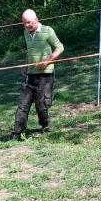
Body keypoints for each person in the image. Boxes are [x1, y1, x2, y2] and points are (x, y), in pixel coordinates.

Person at [11, 9, 64, 141]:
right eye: (24, 23)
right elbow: (29, 52)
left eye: (29, 22)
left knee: (41, 105)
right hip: (30, 75)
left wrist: (47, 61)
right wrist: (26, 65)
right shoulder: (26, 33)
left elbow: (60, 47)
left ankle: (45, 124)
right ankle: (17, 133)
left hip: (45, 75)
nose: (26, 25)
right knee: (23, 105)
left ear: (36, 20)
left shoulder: (47, 31)